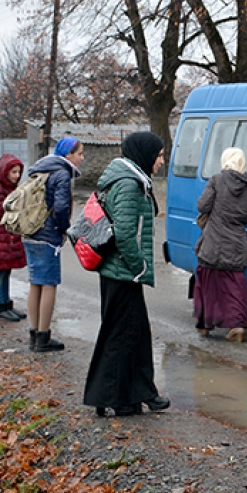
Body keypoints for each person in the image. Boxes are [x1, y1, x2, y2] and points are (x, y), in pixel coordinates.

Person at [83, 132, 171, 417]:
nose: (161, 161)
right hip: (122, 272)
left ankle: (130, 396)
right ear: (145, 154)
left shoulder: (132, 180)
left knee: (129, 334)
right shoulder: (128, 183)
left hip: (120, 272)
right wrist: (140, 267)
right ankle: (121, 397)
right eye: (158, 155)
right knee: (125, 335)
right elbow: (123, 234)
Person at [23, 136, 83, 353]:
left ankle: (33, 333)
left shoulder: (40, 168)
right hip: (47, 236)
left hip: (29, 230)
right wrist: (63, 229)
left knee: (35, 283)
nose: (82, 158)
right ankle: (43, 336)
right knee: (48, 284)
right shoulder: (61, 173)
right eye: (79, 154)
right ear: (68, 155)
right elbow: (60, 207)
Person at [193, 147, 247, 342]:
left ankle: (205, 324)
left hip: (213, 241)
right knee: (235, 286)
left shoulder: (216, 180)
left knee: (207, 282)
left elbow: (202, 206)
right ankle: (237, 325)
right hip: (237, 243)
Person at [0, 153, 28, 322]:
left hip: (7, 239)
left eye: (18, 172)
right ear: (5, 172)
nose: (17, 176)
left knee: (6, 271)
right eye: (13, 172)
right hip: (0, 240)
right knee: (0, 272)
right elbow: (5, 213)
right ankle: (0, 306)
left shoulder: (10, 189)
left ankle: (6, 304)